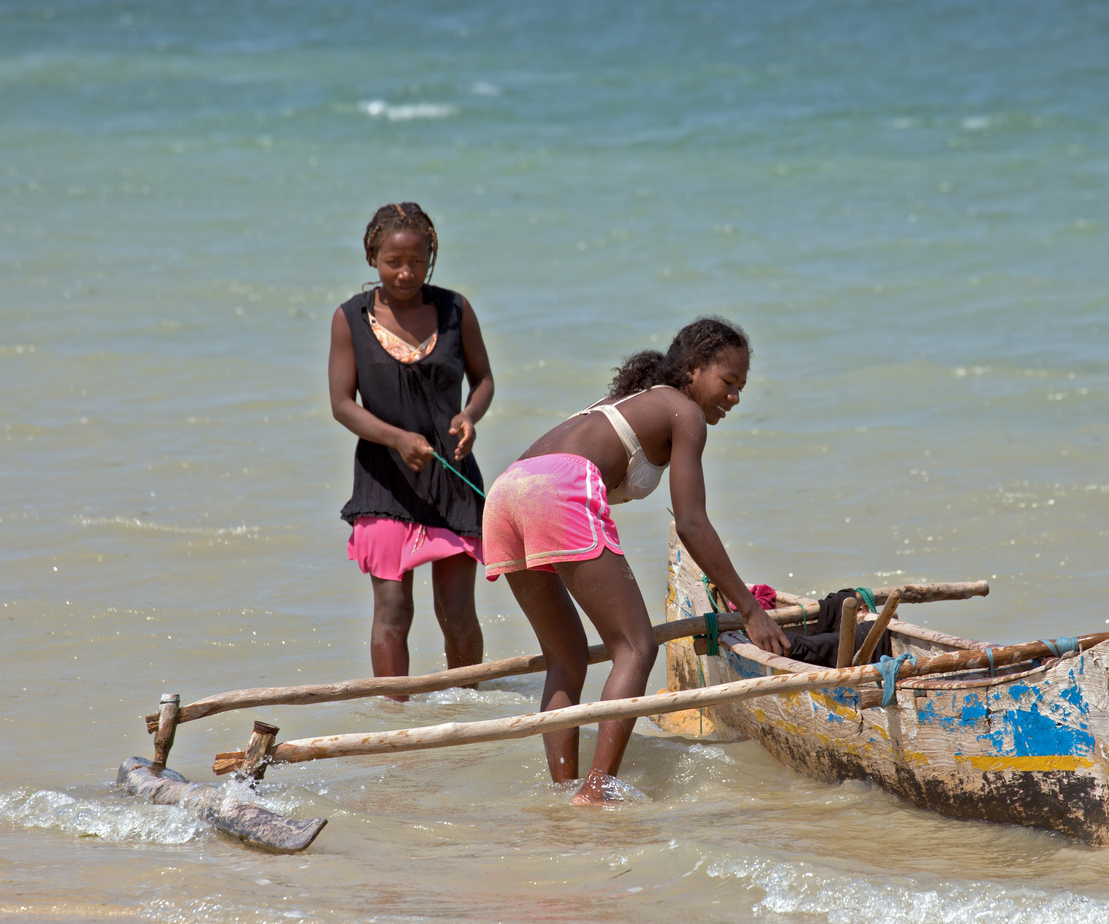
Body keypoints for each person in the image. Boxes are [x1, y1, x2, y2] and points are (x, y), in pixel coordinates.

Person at [482, 317, 789, 803]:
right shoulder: (683, 412)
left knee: (566, 657)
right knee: (636, 648)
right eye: (728, 383)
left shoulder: (629, 402)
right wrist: (749, 608)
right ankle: (596, 792)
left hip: (505, 492)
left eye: (741, 388)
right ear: (693, 367)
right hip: (559, 490)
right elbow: (692, 523)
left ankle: (564, 791)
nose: (734, 398)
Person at [328, 202, 494, 694]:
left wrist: (469, 416)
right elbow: (342, 405)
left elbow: (483, 379)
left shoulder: (455, 309)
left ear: (431, 258)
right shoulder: (350, 320)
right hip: (384, 477)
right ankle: (393, 721)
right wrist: (396, 439)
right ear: (371, 258)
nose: (405, 273)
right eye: (392, 262)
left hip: (450, 474)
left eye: (416, 262)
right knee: (394, 609)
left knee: (457, 611)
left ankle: (466, 708)